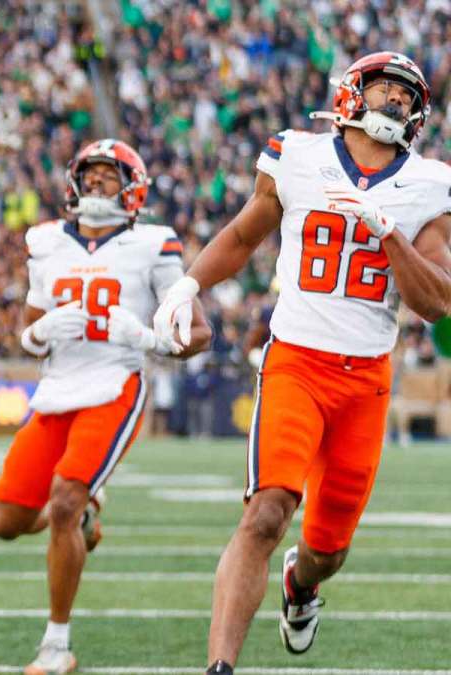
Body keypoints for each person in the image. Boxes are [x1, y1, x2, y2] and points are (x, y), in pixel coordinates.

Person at [149, 52, 451, 675]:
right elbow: (240, 236)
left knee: (327, 548)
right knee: (265, 513)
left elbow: (437, 302)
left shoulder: (429, 185)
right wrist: (187, 286)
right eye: (384, 89)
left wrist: (389, 232)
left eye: (405, 95)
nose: (394, 102)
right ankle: (219, 668)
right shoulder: (297, 155)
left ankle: (302, 586)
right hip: (296, 362)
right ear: (350, 94)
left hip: (366, 379)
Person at [0, 139, 211, 675]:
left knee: (63, 500)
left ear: (131, 189)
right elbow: (26, 333)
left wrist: (152, 340)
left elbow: (199, 333)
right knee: (8, 521)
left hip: (115, 385)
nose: (95, 184)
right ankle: (86, 514)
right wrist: (38, 332)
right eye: (89, 175)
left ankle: (56, 644)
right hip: (57, 388)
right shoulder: (45, 243)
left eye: (108, 176)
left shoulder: (154, 245)